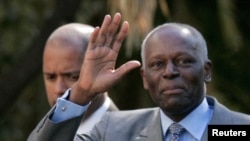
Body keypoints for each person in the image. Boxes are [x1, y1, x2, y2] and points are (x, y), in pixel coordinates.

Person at [28, 13, 250, 141]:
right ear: (144, 77)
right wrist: (81, 93)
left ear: (207, 71)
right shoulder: (114, 131)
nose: (169, 72)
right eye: (157, 64)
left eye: (183, 61)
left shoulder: (238, 130)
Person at [41, 23, 119, 134]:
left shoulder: (128, 135)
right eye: (51, 77)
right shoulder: (44, 135)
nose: (58, 89)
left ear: (103, 73)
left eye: (73, 77)